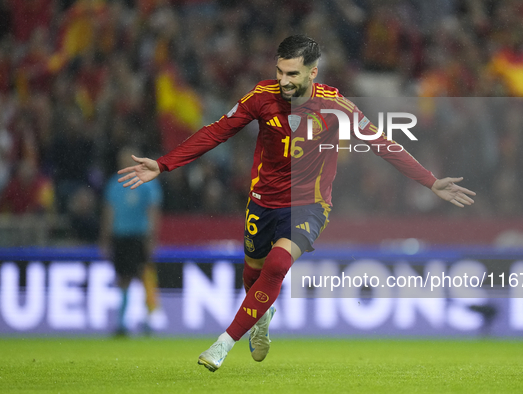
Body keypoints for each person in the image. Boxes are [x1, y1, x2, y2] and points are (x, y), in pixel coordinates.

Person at [118, 35, 476, 370]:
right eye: (279, 71)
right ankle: (262, 317)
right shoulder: (261, 97)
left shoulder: (335, 106)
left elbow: (382, 143)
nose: (284, 80)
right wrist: (164, 163)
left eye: (292, 73)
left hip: (309, 204)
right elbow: (216, 131)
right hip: (263, 201)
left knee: (276, 265)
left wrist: (430, 181)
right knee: (253, 275)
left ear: (312, 71)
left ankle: (223, 343)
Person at [101, 147, 163, 336]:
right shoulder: (114, 184)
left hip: (140, 236)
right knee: (123, 278)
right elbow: (108, 213)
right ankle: (121, 323)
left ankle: (150, 320)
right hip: (121, 237)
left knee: (145, 275)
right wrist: (105, 238)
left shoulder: (147, 183)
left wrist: (152, 237)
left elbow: (153, 210)